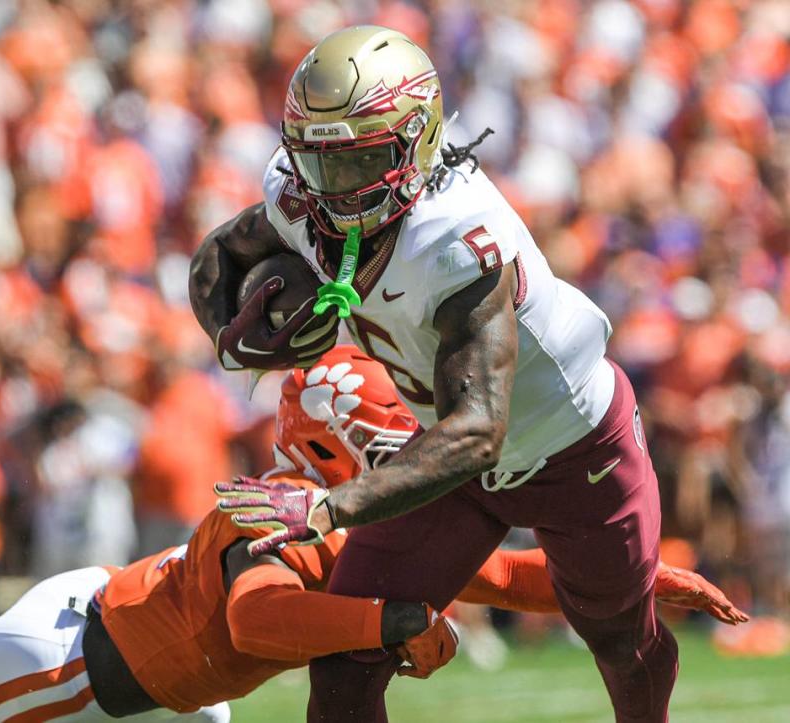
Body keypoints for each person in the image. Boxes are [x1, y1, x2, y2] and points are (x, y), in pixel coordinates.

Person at [192, 25, 689, 723]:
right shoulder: (300, 195)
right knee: (346, 658)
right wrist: (230, 334)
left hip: (570, 449)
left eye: (358, 162)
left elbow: (479, 431)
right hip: (442, 454)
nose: (334, 189)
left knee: (617, 640)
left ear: (416, 143)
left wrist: (328, 506)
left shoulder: (456, 237)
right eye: (320, 162)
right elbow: (217, 256)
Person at [0, 348, 743, 721]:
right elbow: (260, 617)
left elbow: (510, 577)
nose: (420, 446)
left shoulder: (371, 515)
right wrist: (393, 621)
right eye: (400, 432)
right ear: (341, 441)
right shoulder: (282, 503)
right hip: (67, 660)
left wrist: (641, 581)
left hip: (167, 690)